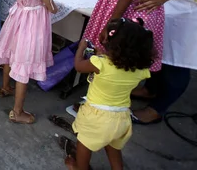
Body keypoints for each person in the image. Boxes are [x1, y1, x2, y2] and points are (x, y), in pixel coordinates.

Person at [64, 18, 153, 170]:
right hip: (121, 118)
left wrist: (81, 48)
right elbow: (118, 69)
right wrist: (104, 55)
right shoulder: (141, 70)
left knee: (84, 144)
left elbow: (79, 66)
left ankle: (79, 167)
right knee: (113, 147)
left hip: (97, 118)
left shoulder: (99, 63)